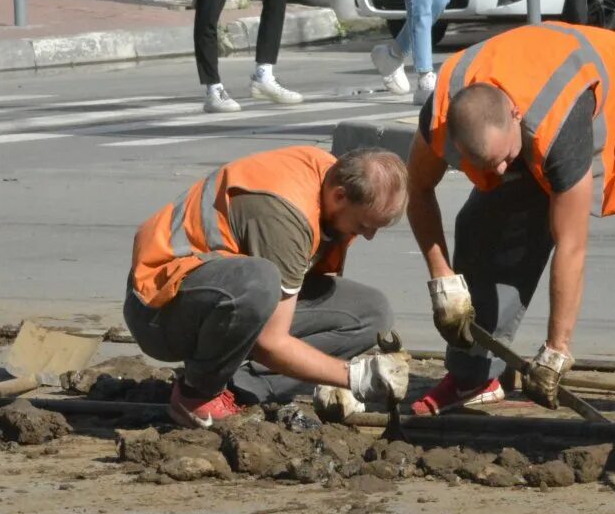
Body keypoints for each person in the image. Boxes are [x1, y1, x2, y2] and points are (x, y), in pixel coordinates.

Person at [404, 21, 615, 419]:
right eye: (484, 164)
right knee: (482, 225)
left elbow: (571, 244)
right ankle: (473, 375)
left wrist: (556, 349)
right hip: (538, 106)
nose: (497, 171)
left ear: (515, 115)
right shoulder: (441, 118)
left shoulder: (559, 125)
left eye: (503, 159)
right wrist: (442, 278)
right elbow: (419, 189)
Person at [126, 146, 409, 428]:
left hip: (225, 298)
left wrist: (331, 376)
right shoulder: (283, 215)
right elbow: (271, 343)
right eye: (364, 224)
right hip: (161, 308)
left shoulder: (332, 178)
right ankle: (195, 396)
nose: (369, 236)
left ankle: (238, 387)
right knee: (258, 282)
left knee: (372, 313)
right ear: (339, 196)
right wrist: (353, 377)